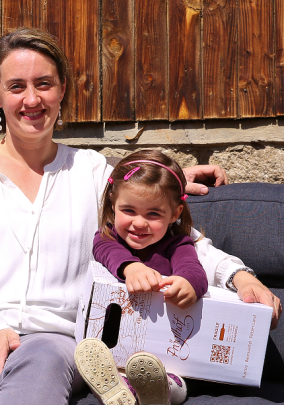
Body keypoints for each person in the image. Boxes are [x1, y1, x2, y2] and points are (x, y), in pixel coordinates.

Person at [0, 27, 282, 405]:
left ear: (62, 89)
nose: (32, 99)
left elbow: (179, 237)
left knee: (43, 364)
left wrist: (240, 276)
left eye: (44, 84)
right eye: (16, 87)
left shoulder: (94, 172)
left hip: (55, 334)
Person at [76, 149, 208, 405]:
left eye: (153, 214)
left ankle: (159, 392)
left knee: (172, 378)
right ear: (113, 204)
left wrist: (188, 284)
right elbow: (106, 251)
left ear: (175, 213)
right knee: (107, 368)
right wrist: (131, 268)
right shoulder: (108, 237)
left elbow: (193, 270)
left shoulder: (177, 244)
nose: (139, 223)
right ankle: (121, 390)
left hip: (164, 351)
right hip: (117, 344)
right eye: (129, 210)